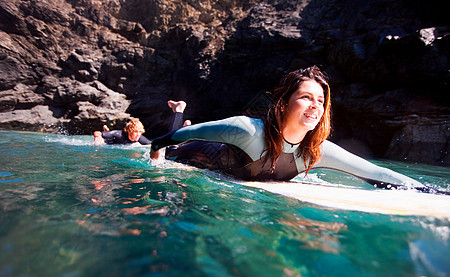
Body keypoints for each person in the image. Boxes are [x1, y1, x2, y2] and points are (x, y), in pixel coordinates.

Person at [150, 66, 427, 191]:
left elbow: (376, 173)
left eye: (320, 101)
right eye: (306, 97)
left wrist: (429, 192)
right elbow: (176, 137)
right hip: (192, 153)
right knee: (175, 147)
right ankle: (178, 110)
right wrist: (156, 153)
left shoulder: (317, 152)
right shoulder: (245, 130)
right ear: (282, 104)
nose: (315, 106)